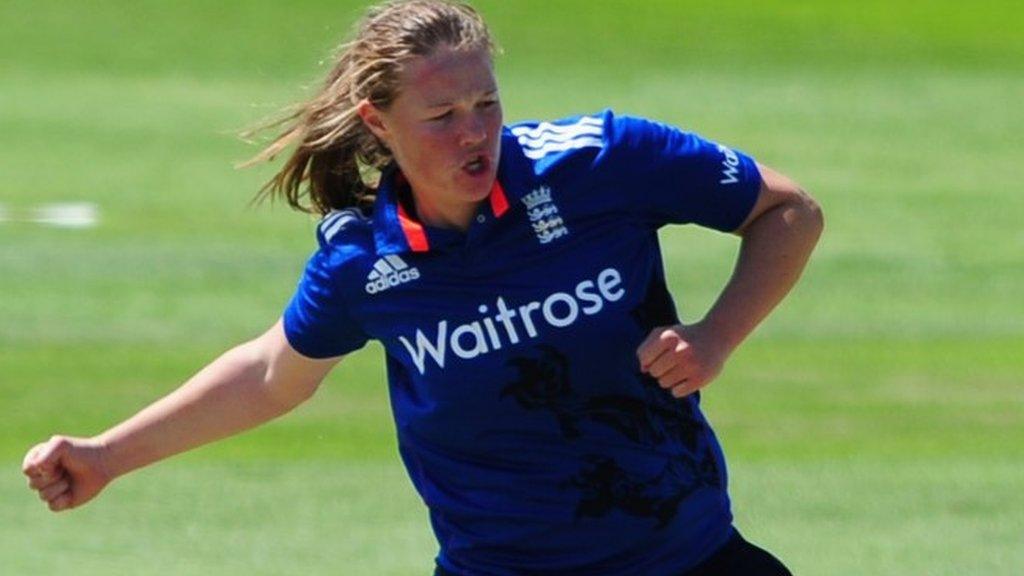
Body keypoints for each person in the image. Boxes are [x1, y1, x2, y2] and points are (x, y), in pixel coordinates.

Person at [22, 1, 823, 574]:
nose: (474, 132)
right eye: (441, 115)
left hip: (687, 556)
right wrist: (106, 456)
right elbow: (271, 374)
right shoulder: (362, 261)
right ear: (379, 124)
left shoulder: (604, 161)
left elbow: (788, 211)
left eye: (486, 104)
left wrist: (716, 336)